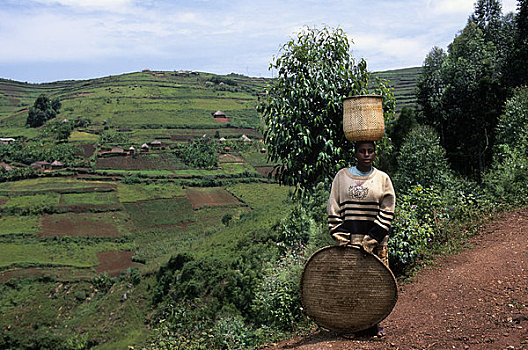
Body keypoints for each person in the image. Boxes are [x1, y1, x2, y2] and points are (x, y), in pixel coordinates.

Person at [326, 140, 396, 338]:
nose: (366, 154)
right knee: (350, 285)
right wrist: (340, 236)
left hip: (375, 243)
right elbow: (334, 206)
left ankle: (373, 325)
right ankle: (351, 326)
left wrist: (372, 238)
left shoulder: (382, 179)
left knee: (375, 285)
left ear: (375, 154)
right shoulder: (342, 177)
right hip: (349, 243)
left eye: (370, 151)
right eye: (362, 151)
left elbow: (387, 210)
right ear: (355, 153)